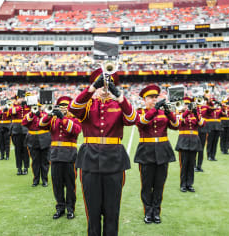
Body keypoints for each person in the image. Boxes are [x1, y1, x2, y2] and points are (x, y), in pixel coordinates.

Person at [68, 68, 136, 236]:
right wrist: (91, 89)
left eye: (108, 84)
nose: (104, 87)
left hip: (114, 161)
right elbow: (73, 107)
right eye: (101, 84)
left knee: (112, 211)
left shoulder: (119, 104)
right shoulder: (88, 104)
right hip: (90, 160)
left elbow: (132, 118)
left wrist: (118, 95)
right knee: (93, 211)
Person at [134, 84, 178, 224]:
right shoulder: (140, 112)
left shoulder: (163, 112)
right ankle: (148, 211)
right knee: (147, 185)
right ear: (144, 99)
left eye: (155, 97)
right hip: (146, 152)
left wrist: (169, 112)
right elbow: (142, 123)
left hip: (163, 151)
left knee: (159, 184)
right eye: (150, 98)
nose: (153, 100)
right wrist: (155, 109)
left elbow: (176, 126)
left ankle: (156, 212)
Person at [39, 96, 81, 220]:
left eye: (65, 106)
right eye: (61, 106)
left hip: (69, 155)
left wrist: (62, 118)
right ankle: (60, 208)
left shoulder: (74, 119)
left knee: (70, 184)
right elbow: (41, 125)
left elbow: (75, 130)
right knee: (57, 185)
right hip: (56, 155)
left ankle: (70, 208)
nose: (63, 108)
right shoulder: (53, 120)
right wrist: (49, 115)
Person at [175, 97, 205, 193]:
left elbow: (202, 124)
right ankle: (183, 184)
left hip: (194, 141)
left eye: (189, 104)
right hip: (183, 141)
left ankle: (189, 184)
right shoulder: (180, 114)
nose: (187, 106)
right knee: (184, 164)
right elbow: (179, 122)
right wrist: (187, 111)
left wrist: (196, 113)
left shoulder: (196, 115)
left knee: (191, 164)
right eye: (186, 104)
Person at [22, 101, 51, 187]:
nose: (37, 108)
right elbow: (24, 123)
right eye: (35, 107)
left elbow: (49, 122)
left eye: (38, 107)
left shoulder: (46, 114)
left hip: (45, 138)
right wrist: (31, 114)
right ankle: (36, 179)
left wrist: (40, 115)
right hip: (33, 139)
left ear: (41, 107)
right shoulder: (30, 115)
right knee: (35, 161)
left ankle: (45, 179)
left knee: (45, 161)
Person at [9, 90, 30, 175]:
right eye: (20, 98)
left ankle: (25, 167)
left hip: (26, 130)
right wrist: (19, 105)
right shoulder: (14, 105)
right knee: (17, 150)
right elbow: (11, 112)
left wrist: (25, 104)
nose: (22, 99)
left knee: (25, 149)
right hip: (16, 130)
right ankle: (19, 168)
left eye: (23, 97)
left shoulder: (28, 105)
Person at [195, 97, 209, 172]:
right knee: (194, 148)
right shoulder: (194, 108)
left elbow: (211, 109)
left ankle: (199, 166)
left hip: (203, 129)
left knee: (201, 149)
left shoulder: (205, 107)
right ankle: (193, 166)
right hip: (196, 130)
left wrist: (208, 99)